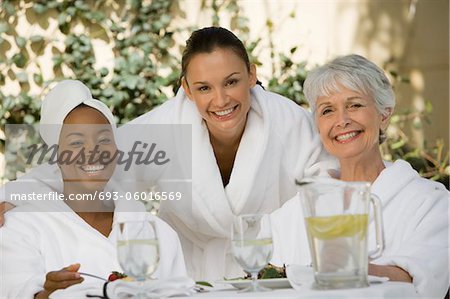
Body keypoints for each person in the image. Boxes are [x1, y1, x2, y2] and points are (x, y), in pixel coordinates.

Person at [0, 27, 331, 280]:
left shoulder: (287, 121)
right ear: (186, 89)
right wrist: (13, 195)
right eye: (203, 87)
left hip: (271, 269)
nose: (221, 100)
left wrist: (282, 245)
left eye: (231, 82)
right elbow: (89, 161)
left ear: (252, 75)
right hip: (189, 275)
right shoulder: (164, 129)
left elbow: (329, 184)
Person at [270, 54, 449, 298]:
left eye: (354, 105)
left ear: (384, 114)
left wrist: (347, 272)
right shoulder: (292, 213)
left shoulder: (432, 204)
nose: (342, 121)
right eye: (327, 110)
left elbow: (419, 279)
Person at [0, 80, 187, 299]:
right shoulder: (20, 227)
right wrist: (45, 295)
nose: (93, 150)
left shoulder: (156, 232)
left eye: (103, 139)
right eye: (77, 143)